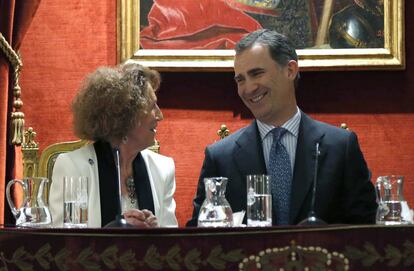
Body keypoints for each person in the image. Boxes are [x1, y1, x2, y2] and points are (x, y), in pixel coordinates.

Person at [187, 29, 377, 226]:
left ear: (290, 70)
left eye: (257, 73)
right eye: (240, 79)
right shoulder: (220, 158)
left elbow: (367, 231)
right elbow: (200, 239)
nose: (248, 88)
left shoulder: (340, 147)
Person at [49, 63, 178, 228]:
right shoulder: (73, 167)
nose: (160, 115)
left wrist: (154, 232)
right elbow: (66, 242)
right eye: (152, 106)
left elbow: (171, 243)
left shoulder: (163, 168)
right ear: (127, 115)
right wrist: (117, 229)